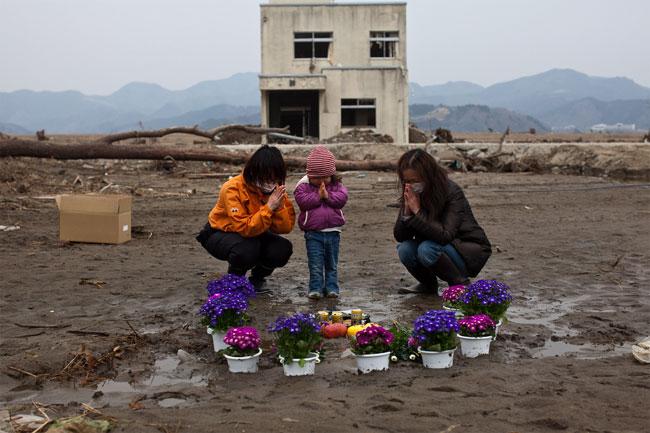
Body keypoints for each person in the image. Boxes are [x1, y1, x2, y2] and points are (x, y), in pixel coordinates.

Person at [196, 145, 296, 292]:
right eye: (266, 176)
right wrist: (269, 208)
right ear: (254, 171)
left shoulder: (275, 190)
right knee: (247, 249)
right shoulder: (233, 188)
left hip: (255, 232)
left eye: (274, 177)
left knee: (282, 248)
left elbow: (285, 228)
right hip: (220, 233)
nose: (270, 181)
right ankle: (235, 279)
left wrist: (278, 207)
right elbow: (244, 228)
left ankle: (257, 279)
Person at [394, 149, 491, 294]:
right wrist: (407, 214)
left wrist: (418, 212)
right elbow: (400, 237)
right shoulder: (412, 193)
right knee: (405, 249)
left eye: (415, 180)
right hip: (438, 247)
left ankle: (460, 284)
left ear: (428, 176)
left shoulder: (451, 192)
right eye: (406, 181)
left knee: (427, 249)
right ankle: (428, 285)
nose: (411, 185)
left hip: (466, 251)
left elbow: (445, 235)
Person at [294, 146, 348, 299]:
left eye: (325, 177)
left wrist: (327, 196)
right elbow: (303, 202)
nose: (321, 181)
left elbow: (342, 199)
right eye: (316, 178)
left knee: (332, 263)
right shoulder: (303, 186)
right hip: (313, 233)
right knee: (316, 263)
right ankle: (315, 288)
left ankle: (332, 288)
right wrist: (319, 196)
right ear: (309, 175)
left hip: (333, 232)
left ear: (331, 174)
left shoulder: (337, 185)